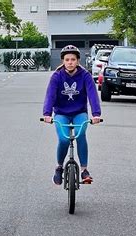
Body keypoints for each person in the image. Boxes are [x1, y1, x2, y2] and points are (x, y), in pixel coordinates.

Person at [42, 45, 102, 185]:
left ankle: (84, 170)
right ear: (63, 61)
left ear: (78, 61)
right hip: (61, 113)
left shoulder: (85, 75)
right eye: (67, 59)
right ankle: (59, 167)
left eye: (73, 59)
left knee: (80, 135)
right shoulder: (57, 76)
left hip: (79, 112)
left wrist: (96, 114)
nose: (70, 62)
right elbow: (50, 95)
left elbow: (92, 94)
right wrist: (47, 113)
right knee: (63, 139)